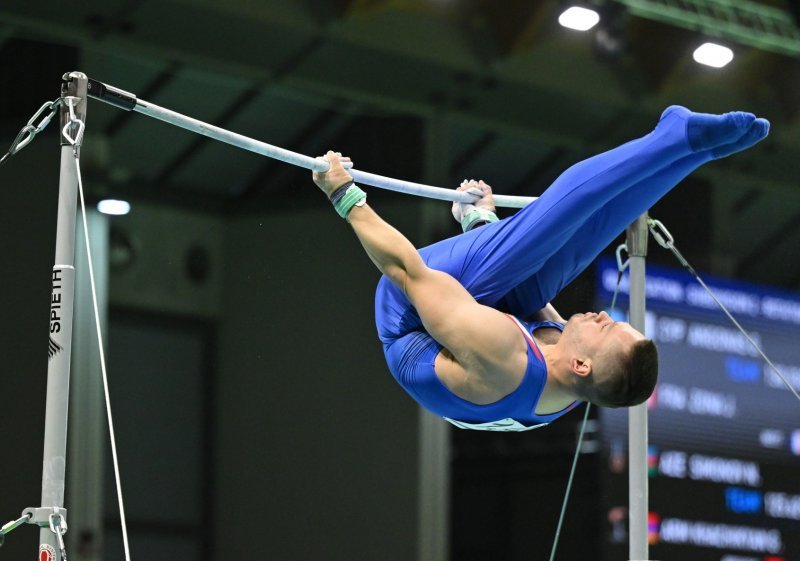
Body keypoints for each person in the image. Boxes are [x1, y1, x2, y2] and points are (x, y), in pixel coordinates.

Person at [312, 105, 770, 432]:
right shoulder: (577, 376)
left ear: (581, 364)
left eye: (607, 328)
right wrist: (481, 226)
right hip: (473, 323)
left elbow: (405, 270)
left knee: (556, 215)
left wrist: (343, 195)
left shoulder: (503, 356)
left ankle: (675, 136)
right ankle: (698, 154)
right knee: (576, 242)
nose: (603, 315)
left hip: (409, 318)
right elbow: (524, 289)